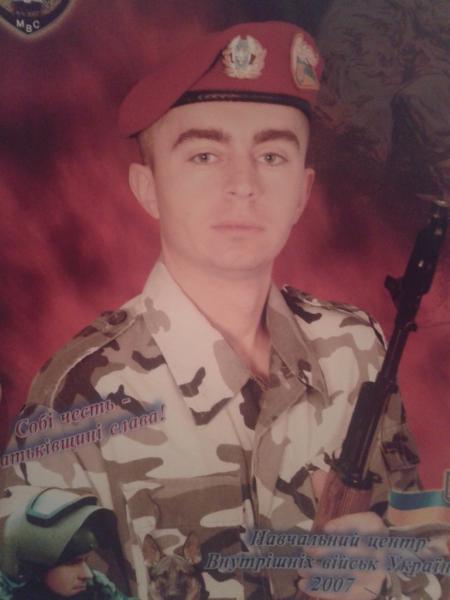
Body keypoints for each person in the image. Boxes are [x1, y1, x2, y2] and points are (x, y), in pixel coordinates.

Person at [0, 20, 442, 600]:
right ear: (148, 188)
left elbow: (423, 546)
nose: (243, 185)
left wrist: (387, 580)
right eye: (205, 154)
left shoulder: (356, 347)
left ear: (303, 191)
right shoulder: (80, 396)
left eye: (272, 155)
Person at [0, 488, 135, 599]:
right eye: (72, 562)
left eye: (86, 560)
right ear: (32, 568)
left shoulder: (95, 585)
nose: (86, 574)